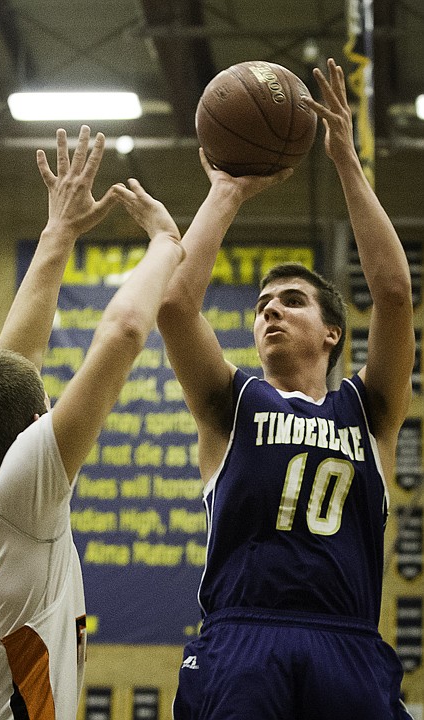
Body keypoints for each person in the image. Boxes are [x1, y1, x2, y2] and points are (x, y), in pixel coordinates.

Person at [117, 58, 415, 719]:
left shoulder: (369, 412)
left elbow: (393, 295)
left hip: (346, 642)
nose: (269, 311)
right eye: (261, 306)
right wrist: (225, 189)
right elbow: (173, 306)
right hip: (241, 639)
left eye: (291, 301)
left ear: (334, 332)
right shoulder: (234, 405)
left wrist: (346, 160)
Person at [0, 125, 185, 719]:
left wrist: (58, 233)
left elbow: (14, 363)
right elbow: (122, 334)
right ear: (34, 429)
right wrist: (166, 243)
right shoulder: (14, 509)